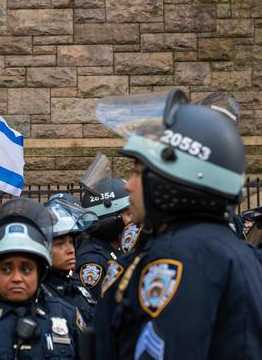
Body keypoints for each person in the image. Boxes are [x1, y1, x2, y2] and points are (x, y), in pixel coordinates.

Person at [94, 90, 262, 359]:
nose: (128, 185)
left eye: (138, 172)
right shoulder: (232, 251)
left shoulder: (179, 258)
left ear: (173, 181)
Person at [0, 198, 82, 360]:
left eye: (26, 269)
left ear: (40, 271)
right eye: (6, 269)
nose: (16, 278)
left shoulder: (67, 317)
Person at [76, 154, 130, 298]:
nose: (134, 221)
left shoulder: (116, 248)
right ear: (109, 219)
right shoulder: (93, 261)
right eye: (128, 215)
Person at [44, 193, 98, 324]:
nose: (70, 250)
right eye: (60, 244)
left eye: (70, 242)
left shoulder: (76, 284)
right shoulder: (40, 295)